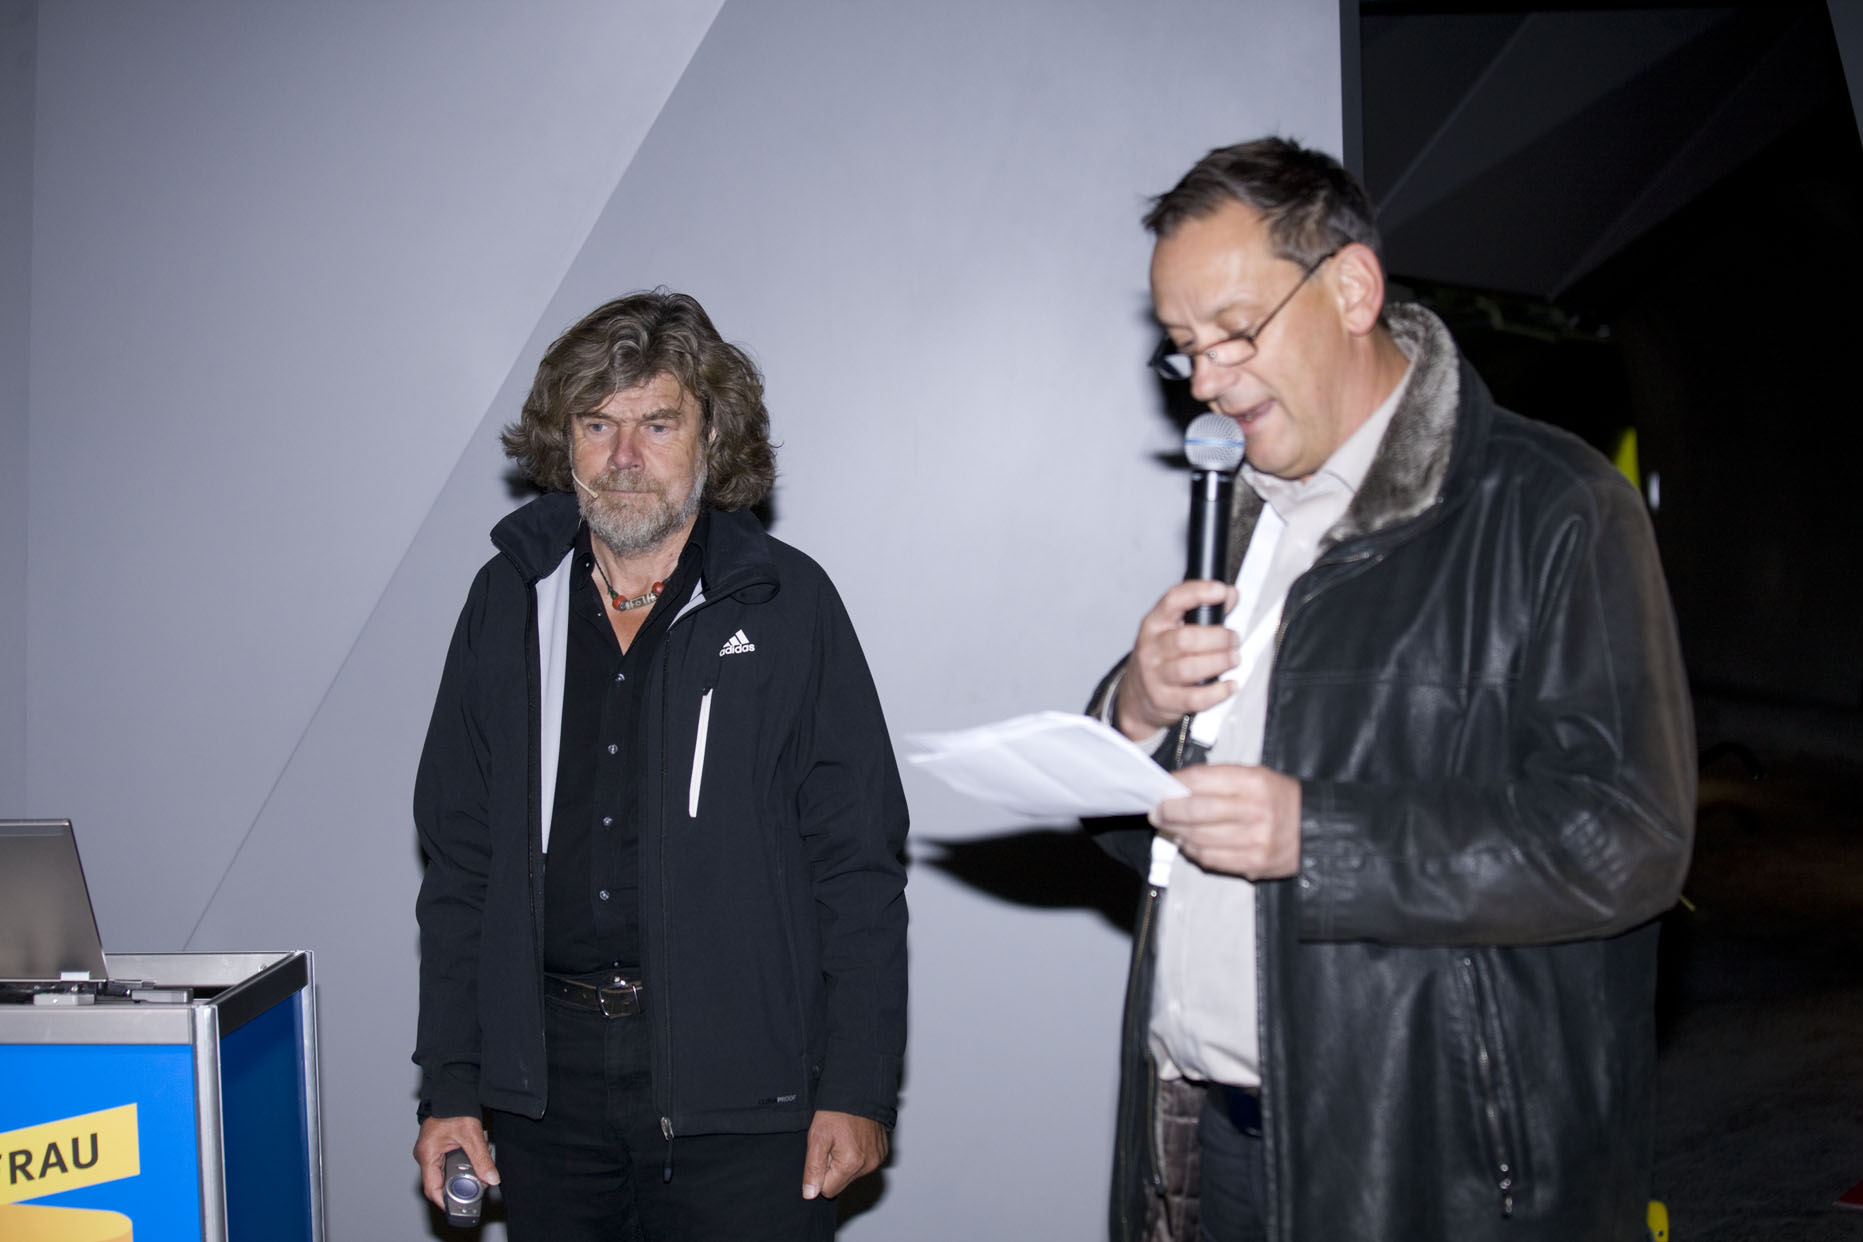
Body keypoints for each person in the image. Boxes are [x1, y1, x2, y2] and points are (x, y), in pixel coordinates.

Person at [1087, 138, 1695, 1242]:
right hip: (1208, 1141)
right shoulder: (1244, 516)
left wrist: (1316, 837)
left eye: (1235, 332)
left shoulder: (1552, 505)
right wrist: (1133, 711)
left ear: (1353, 288)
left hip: (1423, 1167)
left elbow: (1626, 838)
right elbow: (1161, 843)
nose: (1208, 384)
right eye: (1184, 351)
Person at [411, 289, 908, 1241]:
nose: (625, 457)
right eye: (597, 424)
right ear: (564, 444)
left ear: (711, 436)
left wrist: (857, 1086)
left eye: (657, 423)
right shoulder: (507, 600)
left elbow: (857, 867)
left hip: (747, 1095)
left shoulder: (787, 604)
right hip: (545, 1098)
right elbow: (460, 865)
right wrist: (453, 1085)